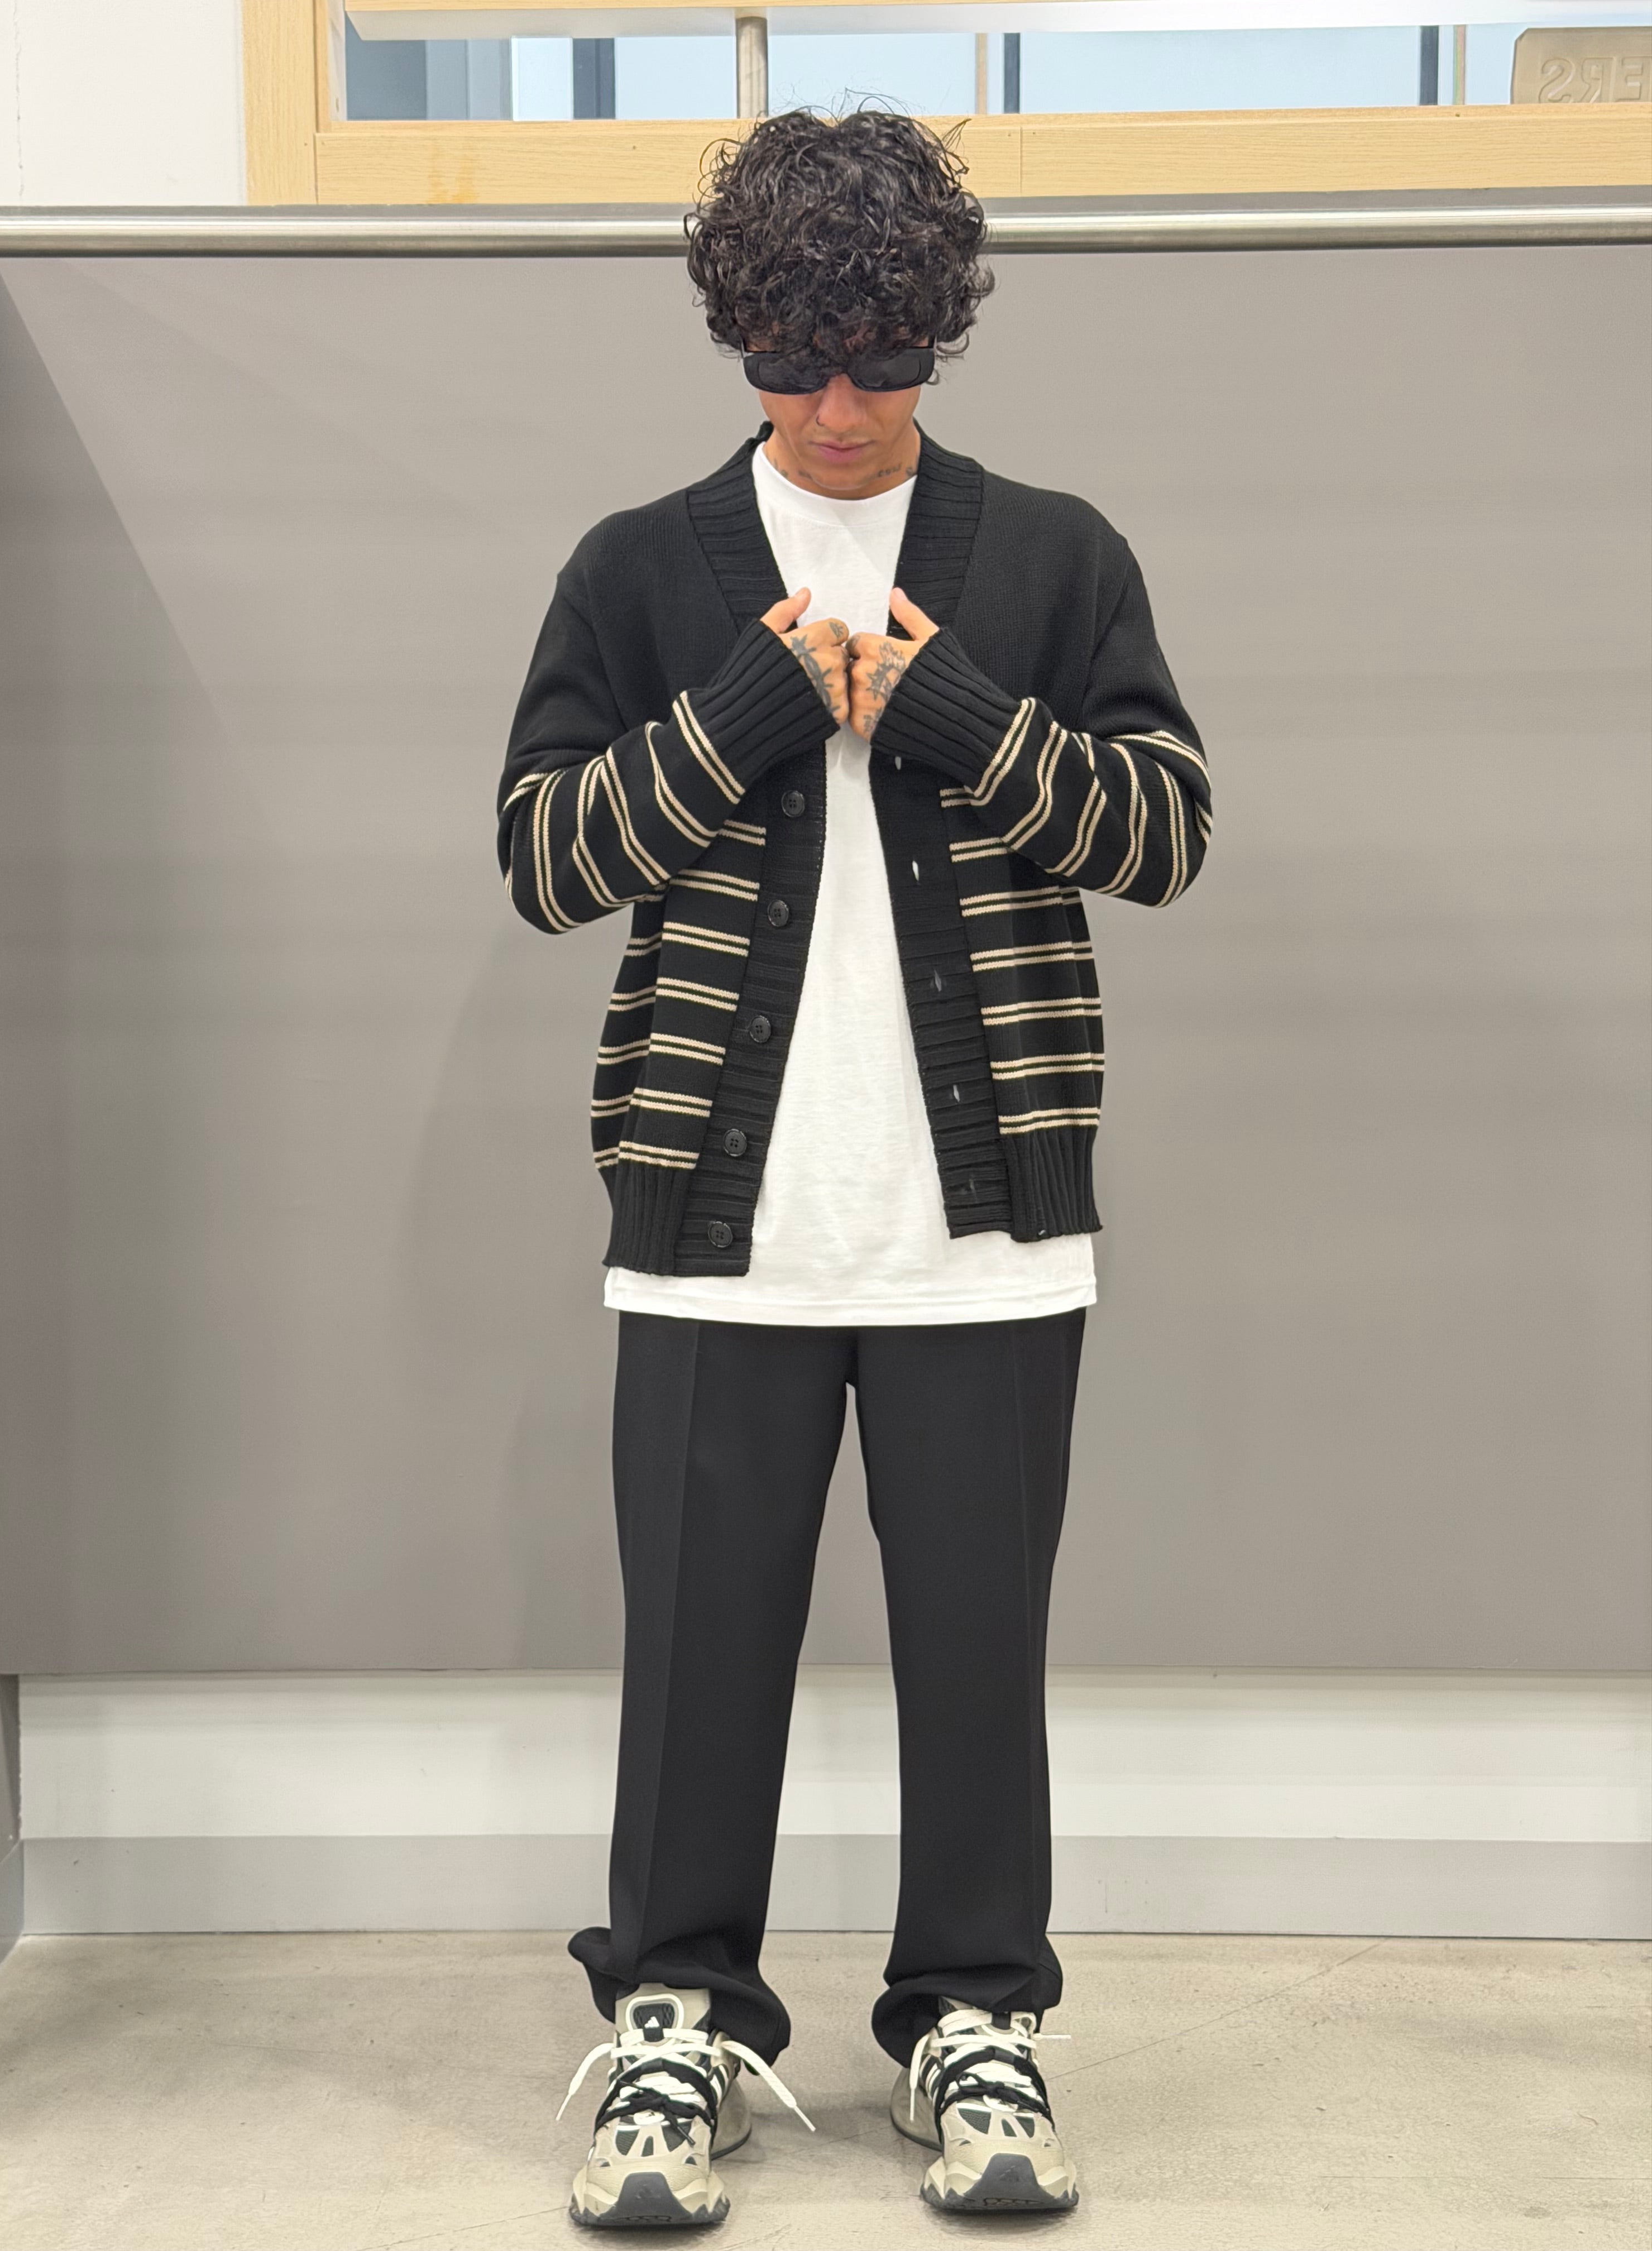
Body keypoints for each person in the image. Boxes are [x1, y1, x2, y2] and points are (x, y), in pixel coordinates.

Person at [497, 104, 1210, 2230]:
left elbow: (1164, 833)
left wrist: (950, 711)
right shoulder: (639, 568)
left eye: (880, 360)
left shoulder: (1055, 556)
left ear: (938, 334)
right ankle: (676, 2023)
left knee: (981, 1658)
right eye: (790, 362)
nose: (833, 408)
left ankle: (974, 2024)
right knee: (695, 1661)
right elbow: (545, 859)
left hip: (984, 1240)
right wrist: (745, 708)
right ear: (740, 336)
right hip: (712, 1238)